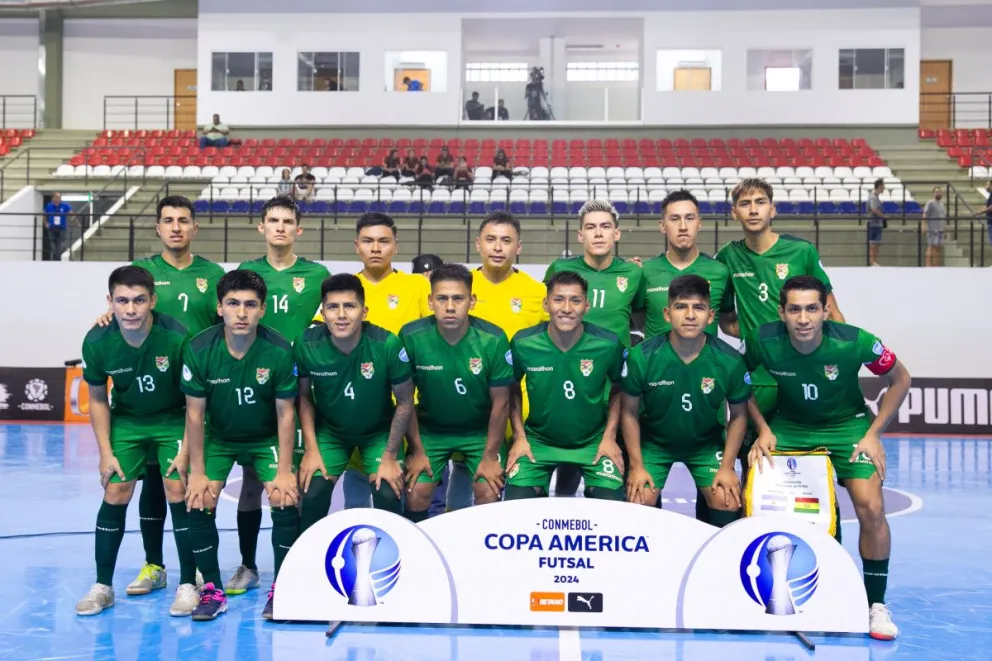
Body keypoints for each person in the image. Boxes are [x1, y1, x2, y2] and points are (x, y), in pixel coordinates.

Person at [745, 275, 910, 641]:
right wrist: (763, 428)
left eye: (811, 309)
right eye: (794, 309)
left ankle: (875, 605)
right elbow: (736, 382)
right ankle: (779, 594)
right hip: (790, 427)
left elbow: (901, 378)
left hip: (849, 427)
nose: (803, 318)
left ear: (825, 311)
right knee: (763, 501)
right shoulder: (763, 339)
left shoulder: (855, 342)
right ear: (782, 312)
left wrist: (874, 433)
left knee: (871, 508)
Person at [93, 195, 223, 597]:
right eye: (168, 221)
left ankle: (197, 568)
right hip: (143, 393)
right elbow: (122, 310)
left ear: (194, 227)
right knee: (150, 483)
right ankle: (154, 565)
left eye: (184, 220)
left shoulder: (212, 272)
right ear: (158, 227)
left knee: (188, 484)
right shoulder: (142, 272)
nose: (176, 227)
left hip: (190, 393)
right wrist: (103, 319)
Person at [75, 266, 199, 618]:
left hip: (172, 418)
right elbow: (97, 399)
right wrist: (105, 453)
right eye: (122, 300)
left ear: (152, 301)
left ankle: (188, 583)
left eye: (139, 301)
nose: (130, 309)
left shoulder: (176, 337)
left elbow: (194, 401)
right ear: (110, 302)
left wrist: (187, 448)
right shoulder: (97, 340)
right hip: (127, 421)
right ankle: (103, 586)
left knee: (177, 488)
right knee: (115, 490)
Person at [182, 269, 300, 621]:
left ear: (263, 309)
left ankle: (284, 586)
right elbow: (194, 415)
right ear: (219, 308)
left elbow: (286, 415)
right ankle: (214, 591)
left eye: (250, 305)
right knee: (198, 499)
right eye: (233, 304)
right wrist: (198, 472)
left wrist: (284, 471)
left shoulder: (278, 349)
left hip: (266, 437)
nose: (242, 312)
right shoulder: (200, 349)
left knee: (284, 496)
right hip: (219, 436)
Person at [230, 195, 329, 596]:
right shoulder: (246, 272)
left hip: (302, 391)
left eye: (288, 221)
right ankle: (248, 565)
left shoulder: (317, 274)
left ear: (298, 229)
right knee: (253, 480)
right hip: (256, 390)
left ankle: (298, 566)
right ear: (262, 227)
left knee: (297, 483)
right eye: (273, 220)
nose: (280, 227)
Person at [716, 178, 845, 477]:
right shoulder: (727, 258)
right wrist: (758, 338)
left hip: (804, 375)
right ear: (734, 213)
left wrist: (835, 364)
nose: (753, 210)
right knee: (755, 472)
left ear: (773, 209)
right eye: (745, 204)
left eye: (760, 202)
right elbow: (727, 323)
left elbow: (834, 313)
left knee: (810, 471)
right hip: (757, 382)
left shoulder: (802, 252)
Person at [621, 275, 752, 527]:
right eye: (681, 307)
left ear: (711, 315)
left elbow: (738, 416)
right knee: (639, 498)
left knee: (727, 499)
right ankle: (652, 560)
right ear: (667, 314)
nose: (690, 315)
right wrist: (636, 465)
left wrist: (726, 466)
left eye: (699, 308)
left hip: (705, 444)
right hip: (655, 444)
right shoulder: (642, 357)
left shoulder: (729, 360)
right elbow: (628, 412)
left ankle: (712, 560)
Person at [296, 274, 418, 530]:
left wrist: (390, 456)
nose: (341, 315)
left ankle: (395, 561)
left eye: (349, 306)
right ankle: (310, 565)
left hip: (377, 433)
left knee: (388, 491)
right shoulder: (307, 344)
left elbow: (405, 401)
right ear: (324, 312)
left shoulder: (387, 344)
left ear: (364, 311)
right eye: (332, 307)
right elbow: (303, 396)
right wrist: (311, 449)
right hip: (331, 433)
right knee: (312, 492)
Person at [334, 212, 432, 508]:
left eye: (383, 241)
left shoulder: (416, 286)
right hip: (355, 403)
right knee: (356, 489)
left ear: (395, 246)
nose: (375, 248)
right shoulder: (344, 285)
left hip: (404, 404)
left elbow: (430, 340)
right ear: (356, 246)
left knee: (398, 489)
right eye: (368, 241)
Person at [400, 264, 513, 519]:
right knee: (417, 491)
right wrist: (417, 451)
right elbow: (405, 398)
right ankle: (417, 555)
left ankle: (481, 556)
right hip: (431, 430)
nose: (450, 306)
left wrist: (491, 456)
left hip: (479, 430)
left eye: (458, 298)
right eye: (442, 298)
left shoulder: (492, 339)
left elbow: (502, 402)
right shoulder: (412, 336)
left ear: (472, 301)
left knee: (488, 492)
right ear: (430, 301)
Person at [504, 271, 627, 501]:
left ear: (587, 306)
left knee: (612, 503)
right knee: (515, 503)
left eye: (576, 300)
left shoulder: (608, 343)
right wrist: (520, 438)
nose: (567, 308)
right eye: (559, 299)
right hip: (538, 441)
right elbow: (511, 390)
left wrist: (609, 437)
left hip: (593, 442)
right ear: (546, 304)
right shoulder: (523, 342)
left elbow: (620, 389)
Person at [635, 189, 731, 339]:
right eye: (674, 219)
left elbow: (729, 322)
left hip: (705, 362)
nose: (683, 226)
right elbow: (639, 322)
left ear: (699, 223)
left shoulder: (721, 271)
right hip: (657, 361)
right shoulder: (644, 272)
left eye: (690, 218)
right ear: (662, 226)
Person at [544, 200, 642, 344]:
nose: (598, 234)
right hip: (570, 361)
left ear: (616, 233)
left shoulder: (634, 272)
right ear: (580, 235)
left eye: (605, 226)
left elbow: (642, 318)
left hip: (618, 364)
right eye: (590, 227)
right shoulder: (559, 268)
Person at [45, 192, 75, 261]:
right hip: (52, 228)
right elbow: (44, 215)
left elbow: (71, 213)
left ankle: (58, 258)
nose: (59, 199)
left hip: (62, 228)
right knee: (52, 243)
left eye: (59, 197)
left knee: (61, 243)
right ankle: (55, 256)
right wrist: (45, 223)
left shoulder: (65, 205)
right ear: (53, 198)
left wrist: (72, 217)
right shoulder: (49, 206)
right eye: (57, 197)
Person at [921, 186, 946, 267]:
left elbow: (942, 218)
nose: (938, 193)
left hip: (940, 230)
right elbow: (925, 214)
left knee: (938, 249)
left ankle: (936, 266)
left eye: (940, 192)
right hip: (932, 229)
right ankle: (928, 265)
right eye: (936, 192)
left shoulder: (942, 205)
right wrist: (924, 225)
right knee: (931, 247)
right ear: (933, 193)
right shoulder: (930, 203)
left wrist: (944, 229)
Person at [866, 179, 886, 267]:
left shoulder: (876, 197)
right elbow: (874, 209)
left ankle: (874, 261)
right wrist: (883, 216)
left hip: (877, 223)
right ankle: (872, 261)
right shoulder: (873, 197)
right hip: (873, 223)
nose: (884, 188)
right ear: (879, 186)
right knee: (873, 243)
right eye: (883, 186)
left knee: (876, 243)